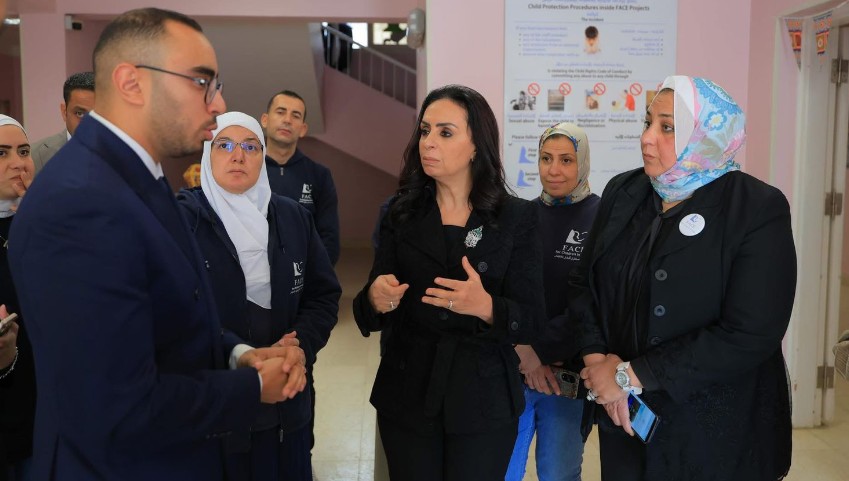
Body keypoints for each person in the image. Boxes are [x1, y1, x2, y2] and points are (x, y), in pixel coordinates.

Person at [7, 9, 307, 480]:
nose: (218, 103)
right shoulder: (80, 203)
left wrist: (237, 353)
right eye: (202, 82)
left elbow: (166, 318)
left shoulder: (137, 176)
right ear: (132, 83)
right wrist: (250, 388)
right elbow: (115, 405)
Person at [573, 75, 795, 480]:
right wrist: (598, 364)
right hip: (626, 421)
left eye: (668, 127)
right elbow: (586, 286)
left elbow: (752, 332)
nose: (647, 138)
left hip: (715, 432)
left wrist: (628, 375)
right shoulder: (624, 191)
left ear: (706, 134)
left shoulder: (756, 208)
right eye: (648, 122)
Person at [352, 84, 545, 481]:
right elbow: (369, 307)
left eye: (445, 132)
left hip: (483, 401)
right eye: (425, 130)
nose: (428, 142)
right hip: (407, 393)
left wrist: (488, 307)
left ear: (476, 146)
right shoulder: (400, 213)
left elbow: (532, 320)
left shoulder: (516, 218)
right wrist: (374, 298)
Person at [177, 112, 341, 481]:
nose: (238, 156)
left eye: (251, 147)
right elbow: (176, 315)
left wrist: (300, 346)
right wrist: (237, 354)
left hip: (288, 395)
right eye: (225, 145)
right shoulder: (183, 220)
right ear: (207, 154)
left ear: (262, 156)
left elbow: (323, 295)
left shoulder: (292, 216)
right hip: (216, 409)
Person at [506, 123, 600, 481]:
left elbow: (593, 301)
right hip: (516, 368)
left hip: (567, 377)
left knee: (558, 473)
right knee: (502, 470)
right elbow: (506, 292)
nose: (554, 170)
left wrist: (541, 352)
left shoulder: (602, 219)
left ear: (583, 163)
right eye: (546, 158)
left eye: (566, 160)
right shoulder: (521, 217)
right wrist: (524, 353)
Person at [261, 90, 339, 266]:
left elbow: (329, 237)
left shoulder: (320, 175)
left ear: (303, 129)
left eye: (295, 116)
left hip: (302, 275)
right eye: (280, 112)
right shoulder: (246, 170)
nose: (287, 120)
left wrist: (314, 274)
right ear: (265, 120)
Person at [0, 115, 35, 481]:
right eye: (2, 153)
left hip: (44, 397)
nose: (18, 163)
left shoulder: (47, 221)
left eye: (23, 151)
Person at [30, 71, 95, 174]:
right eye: (80, 114)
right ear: (64, 112)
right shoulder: (34, 156)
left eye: (98, 115)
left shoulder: (121, 152)